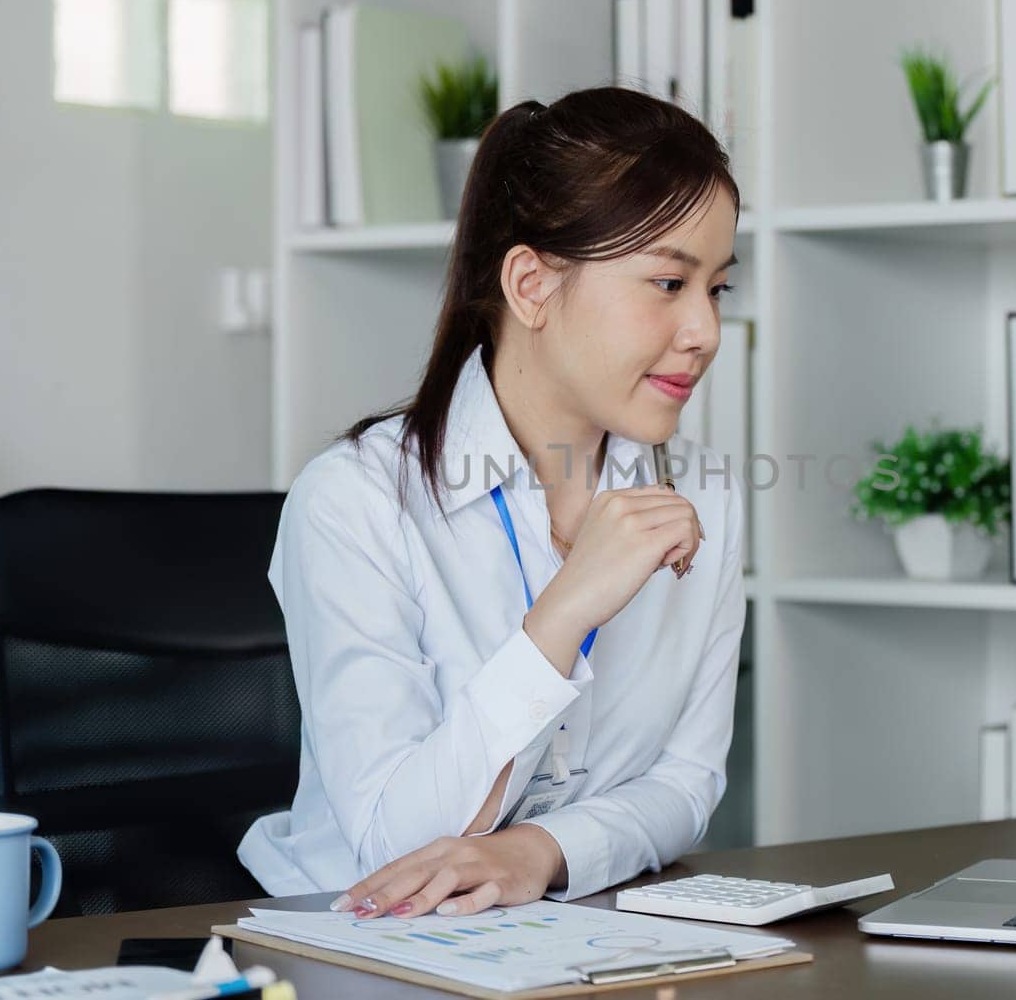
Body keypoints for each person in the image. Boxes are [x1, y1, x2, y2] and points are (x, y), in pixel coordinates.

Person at [237, 85, 746, 921]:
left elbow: (689, 781)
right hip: (350, 942)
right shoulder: (355, 502)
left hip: (578, 936)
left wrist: (540, 854)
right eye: (667, 282)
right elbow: (394, 850)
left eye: (717, 289)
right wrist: (570, 604)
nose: (706, 331)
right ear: (532, 285)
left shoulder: (706, 496)